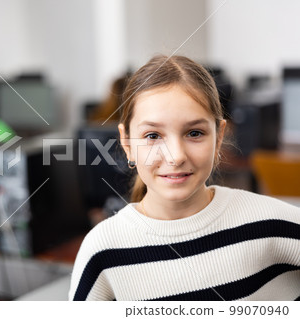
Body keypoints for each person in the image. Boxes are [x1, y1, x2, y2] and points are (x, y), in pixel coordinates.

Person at [69, 55, 300, 301]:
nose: (176, 156)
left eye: (194, 133)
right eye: (153, 136)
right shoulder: (102, 250)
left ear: (219, 137)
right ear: (127, 143)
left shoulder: (271, 223)